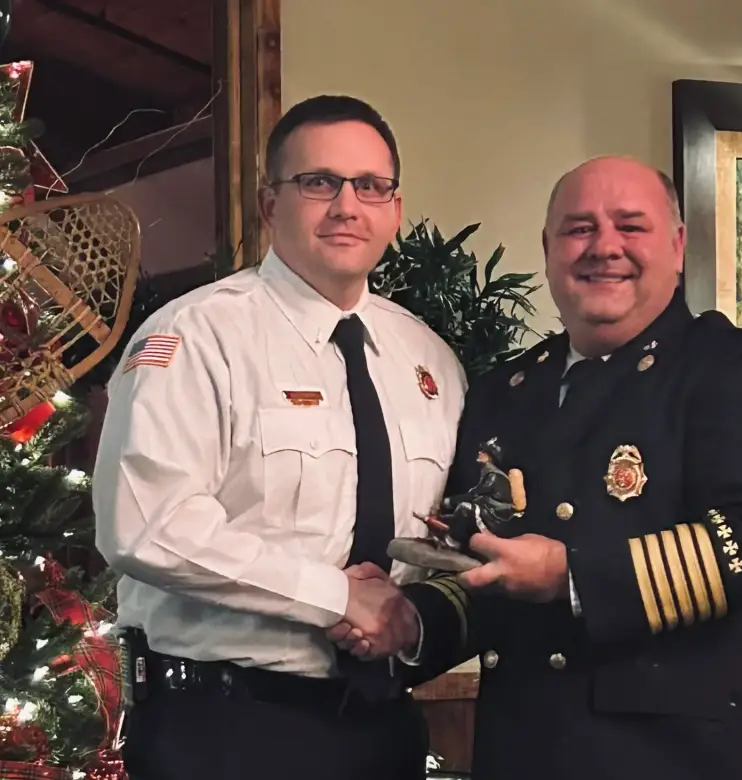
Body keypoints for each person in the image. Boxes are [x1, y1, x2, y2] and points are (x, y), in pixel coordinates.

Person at [336, 156, 742, 780]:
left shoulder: (729, 366)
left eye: (630, 226)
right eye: (579, 228)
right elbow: (483, 568)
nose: (603, 247)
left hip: (683, 761)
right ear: (549, 249)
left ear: (676, 246)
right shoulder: (504, 391)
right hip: (525, 751)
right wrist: (413, 620)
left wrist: (570, 575)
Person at [92, 95, 466, 780]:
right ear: (270, 206)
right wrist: (337, 596)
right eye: (318, 182)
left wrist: (408, 618)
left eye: (370, 186)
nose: (347, 206)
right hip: (226, 730)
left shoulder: (431, 362)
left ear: (395, 209)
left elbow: (445, 535)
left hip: (382, 728)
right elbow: (145, 525)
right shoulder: (197, 338)